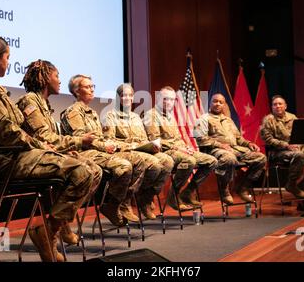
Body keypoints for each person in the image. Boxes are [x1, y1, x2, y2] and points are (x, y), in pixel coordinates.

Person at [0, 34, 95, 262]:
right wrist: (44, 146)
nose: (8, 62)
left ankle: (49, 232)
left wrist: (47, 148)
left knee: (89, 168)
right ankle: (47, 231)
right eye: (7, 57)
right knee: (82, 171)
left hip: (18, 155)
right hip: (7, 161)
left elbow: (16, 130)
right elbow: (8, 133)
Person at [16, 60, 103, 244]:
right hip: (31, 160)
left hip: (44, 155)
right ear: (46, 78)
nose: (60, 81)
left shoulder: (44, 103)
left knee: (95, 170)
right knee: (84, 172)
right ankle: (51, 230)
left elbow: (50, 141)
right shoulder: (30, 101)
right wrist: (80, 140)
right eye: (56, 76)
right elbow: (45, 137)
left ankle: (60, 224)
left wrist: (68, 149)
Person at [60, 75, 156, 225]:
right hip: (85, 153)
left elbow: (101, 137)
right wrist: (104, 145)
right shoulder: (73, 112)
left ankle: (119, 203)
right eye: (87, 87)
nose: (92, 90)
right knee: (124, 166)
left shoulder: (91, 112)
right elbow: (82, 139)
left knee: (140, 160)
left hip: (100, 151)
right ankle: (112, 204)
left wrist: (109, 145)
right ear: (77, 91)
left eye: (93, 87)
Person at [104, 83, 174, 220]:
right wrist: (132, 146)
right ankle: (126, 200)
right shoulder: (110, 116)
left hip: (140, 150)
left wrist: (151, 145)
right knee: (153, 163)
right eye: (124, 95)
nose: (128, 98)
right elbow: (110, 141)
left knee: (167, 161)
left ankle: (145, 197)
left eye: (130, 95)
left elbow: (143, 139)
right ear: (118, 97)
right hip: (123, 152)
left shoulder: (135, 117)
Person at [143, 86, 218, 210]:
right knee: (189, 161)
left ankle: (188, 192)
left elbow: (177, 137)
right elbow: (155, 141)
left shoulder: (170, 115)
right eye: (165, 99)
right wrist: (179, 149)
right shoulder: (151, 115)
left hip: (178, 150)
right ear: (158, 98)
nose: (168, 102)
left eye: (172, 100)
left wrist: (186, 147)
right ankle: (174, 195)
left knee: (211, 161)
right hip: (164, 152)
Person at [194, 93, 266, 204]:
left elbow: (239, 138)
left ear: (224, 105)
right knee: (229, 158)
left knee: (261, 158)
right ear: (210, 102)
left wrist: (249, 144)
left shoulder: (228, 120)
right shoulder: (203, 119)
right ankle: (224, 190)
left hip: (235, 149)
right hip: (215, 151)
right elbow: (200, 139)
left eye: (220, 102)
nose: (217, 104)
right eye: (215, 101)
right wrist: (220, 145)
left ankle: (243, 188)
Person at [260, 95, 304, 198]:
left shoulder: (292, 117)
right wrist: (286, 145)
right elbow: (268, 140)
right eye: (275, 104)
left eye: (280, 104)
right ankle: (291, 184)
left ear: (285, 106)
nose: (277, 106)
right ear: (272, 107)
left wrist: (298, 143)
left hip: (297, 147)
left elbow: (301, 134)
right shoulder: (268, 120)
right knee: (299, 155)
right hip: (278, 151)